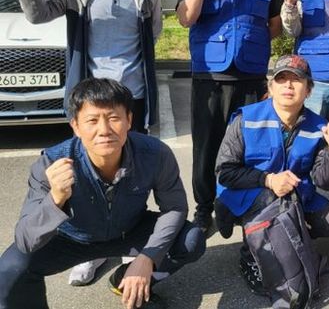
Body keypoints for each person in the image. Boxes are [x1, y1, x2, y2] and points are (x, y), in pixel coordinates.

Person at [12, 0, 162, 286]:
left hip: (132, 100)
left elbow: (154, 35)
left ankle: (128, 242)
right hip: (90, 103)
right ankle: (92, 251)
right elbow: (37, 13)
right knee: (88, 174)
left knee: (132, 173)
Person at [0, 78, 205, 309]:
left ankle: (126, 281)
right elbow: (25, 239)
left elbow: (174, 207)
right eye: (92, 120)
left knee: (191, 240)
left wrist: (148, 257)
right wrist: (55, 199)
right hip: (71, 239)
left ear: (129, 120)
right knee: (11, 268)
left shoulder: (155, 154)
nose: (104, 130)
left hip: (129, 231)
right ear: (76, 126)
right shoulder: (52, 163)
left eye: (113, 118)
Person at [176, 0, 284, 235]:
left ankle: (240, 206)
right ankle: (204, 209)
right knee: (207, 147)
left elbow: (275, 26)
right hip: (210, 76)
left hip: (251, 76)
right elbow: (185, 17)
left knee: (250, 147)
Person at [214, 54, 329, 296]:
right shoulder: (246, 118)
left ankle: (286, 240)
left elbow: (324, 181)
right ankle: (250, 255)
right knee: (271, 199)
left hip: (295, 195)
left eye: (297, 80)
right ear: (271, 86)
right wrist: (269, 180)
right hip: (246, 194)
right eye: (281, 79)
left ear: (309, 90)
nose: (288, 85)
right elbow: (225, 172)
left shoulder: (319, 126)